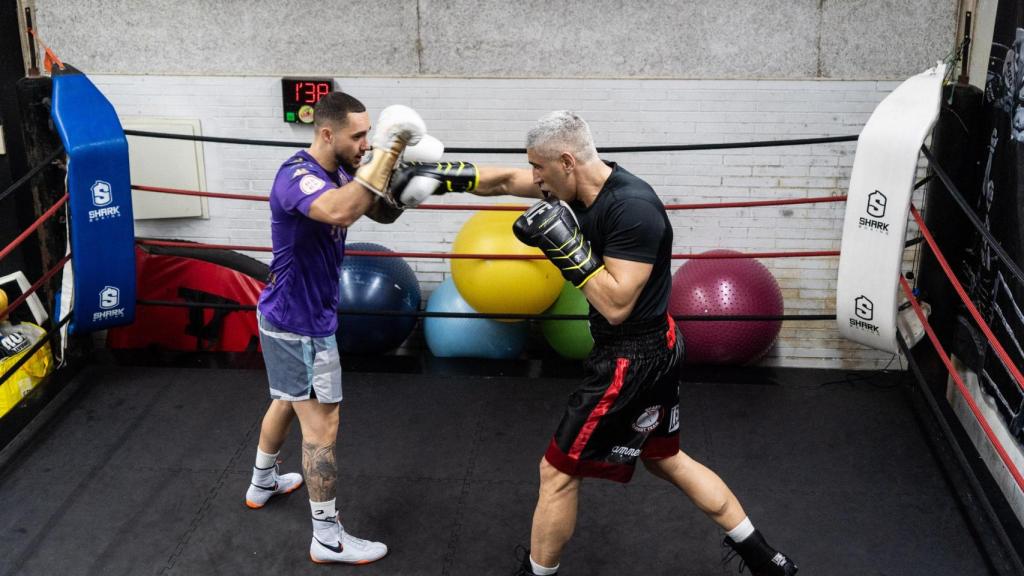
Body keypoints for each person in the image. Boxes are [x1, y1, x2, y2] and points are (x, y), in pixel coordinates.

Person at [388, 110, 798, 575]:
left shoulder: (632, 210)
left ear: (566, 161)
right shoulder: (575, 185)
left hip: (633, 357)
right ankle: (767, 560)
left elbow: (617, 305)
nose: (535, 178)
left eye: (540, 168)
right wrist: (442, 179)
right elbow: (503, 181)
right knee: (666, 460)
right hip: (649, 348)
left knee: (557, 472)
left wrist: (564, 247)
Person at [245, 91, 425, 565]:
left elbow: (377, 209)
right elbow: (342, 211)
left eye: (370, 134)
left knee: (286, 398)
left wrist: (408, 182)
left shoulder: (343, 171)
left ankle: (262, 482)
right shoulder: (297, 178)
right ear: (327, 133)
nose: (366, 143)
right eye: (359, 135)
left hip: (290, 315)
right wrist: (388, 150)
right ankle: (327, 537)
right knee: (323, 425)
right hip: (300, 325)